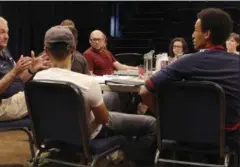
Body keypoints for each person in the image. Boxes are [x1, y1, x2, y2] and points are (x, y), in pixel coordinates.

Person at [34, 26, 156, 165]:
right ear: (73, 49)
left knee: (111, 99)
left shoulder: (37, 79)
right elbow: (103, 119)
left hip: (53, 133)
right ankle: (130, 158)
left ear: (46, 50)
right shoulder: (87, 82)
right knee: (151, 124)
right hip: (87, 135)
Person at [140, 8, 239, 142]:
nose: (192, 35)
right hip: (227, 137)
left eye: (195, 30)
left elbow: (144, 91)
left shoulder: (186, 61)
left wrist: (163, 118)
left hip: (184, 134)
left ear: (207, 34)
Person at [0, 16, 49, 121]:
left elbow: (18, 79)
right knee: (45, 96)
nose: (6, 36)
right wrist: (14, 71)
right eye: (1, 32)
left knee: (47, 92)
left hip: (11, 100)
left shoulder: (4, 51)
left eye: (7, 32)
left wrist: (31, 69)